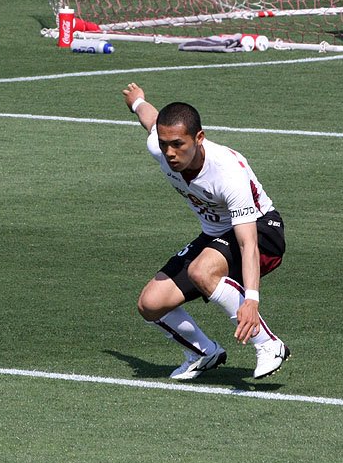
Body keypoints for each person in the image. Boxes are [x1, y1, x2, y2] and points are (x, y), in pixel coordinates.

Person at [122, 82, 290, 380]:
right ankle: (203, 352)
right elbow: (152, 120)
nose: (170, 152)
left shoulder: (227, 173)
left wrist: (252, 299)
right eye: (164, 144)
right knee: (150, 304)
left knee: (201, 271)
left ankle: (268, 344)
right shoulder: (161, 148)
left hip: (262, 231)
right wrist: (137, 102)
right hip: (216, 235)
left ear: (199, 138)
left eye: (178, 144)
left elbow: (248, 243)